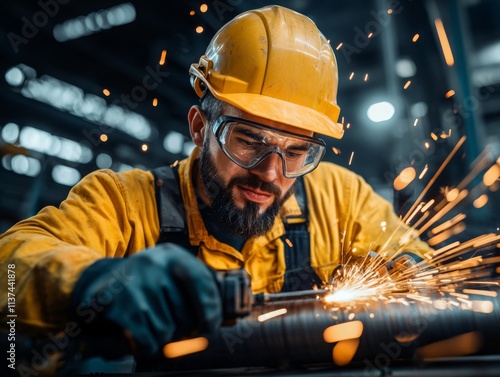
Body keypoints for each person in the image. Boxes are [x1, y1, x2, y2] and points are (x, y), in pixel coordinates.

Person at [0, 4, 432, 366]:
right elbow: (11, 269)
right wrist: (91, 283)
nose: (270, 172)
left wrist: (408, 272)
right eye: (248, 141)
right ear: (200, 127)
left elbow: (419, 260)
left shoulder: (339, 197)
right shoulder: (122, 201)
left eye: (297, 152)